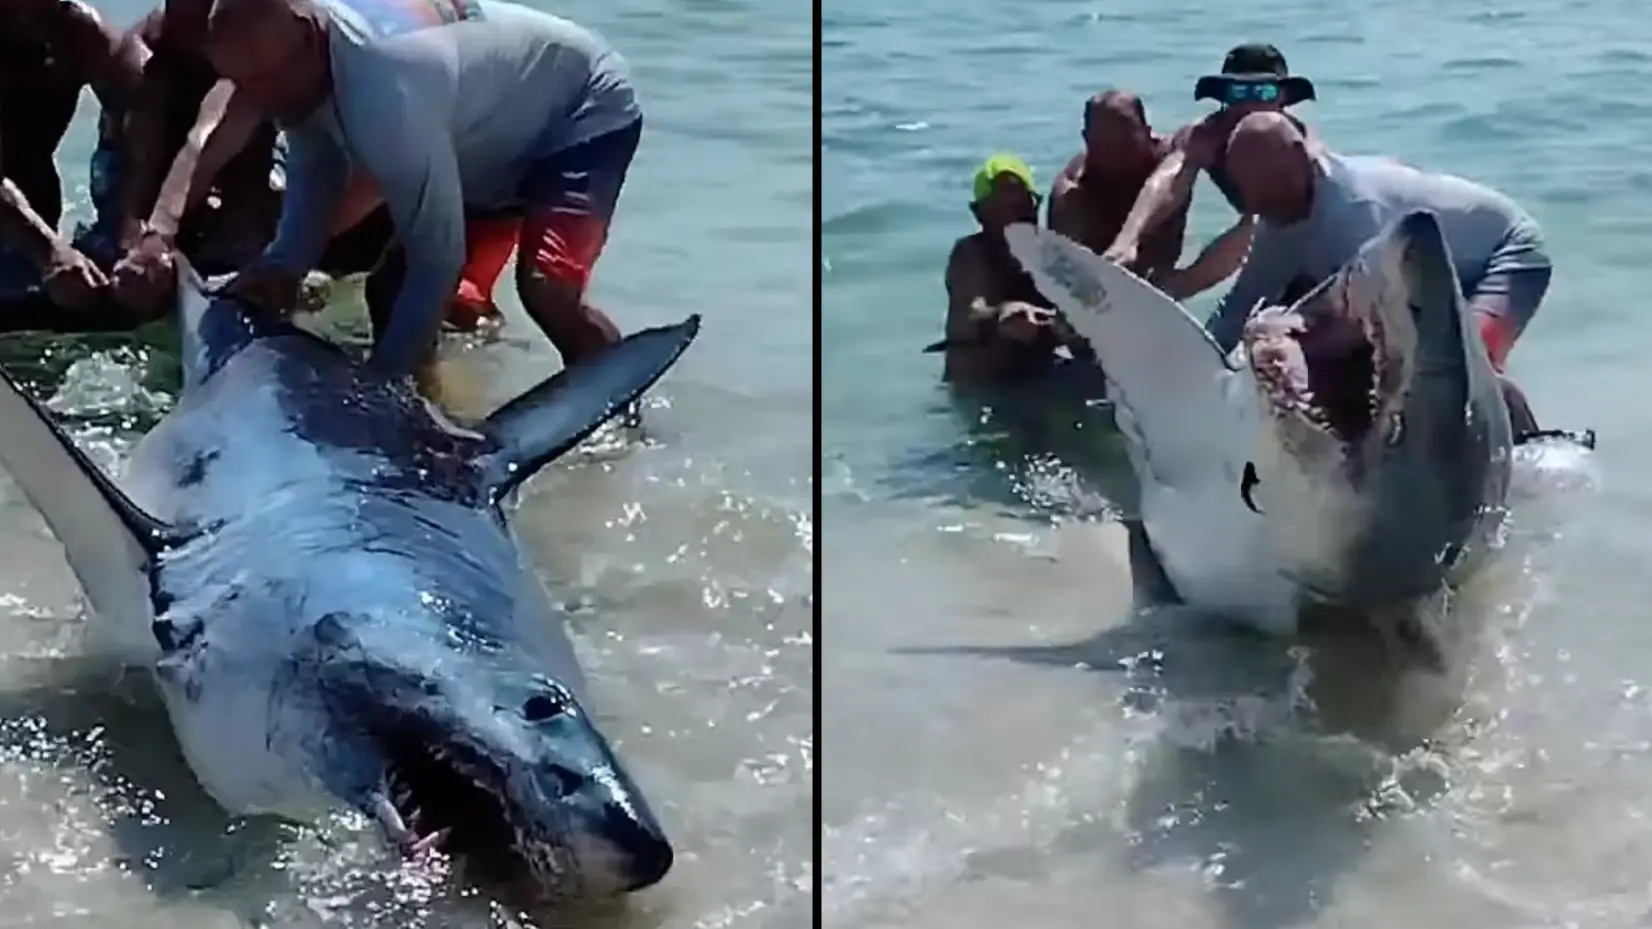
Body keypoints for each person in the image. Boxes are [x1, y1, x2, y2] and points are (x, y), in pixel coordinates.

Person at [201, 0, 641, 387]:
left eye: (266, 81)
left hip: (581, 110)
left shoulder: (385, 91)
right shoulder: (298, 63)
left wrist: (380, 382)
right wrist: (282, 265)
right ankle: (432, 413)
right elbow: (318, 165)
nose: (259, 101)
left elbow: (437, 259)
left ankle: (622, 414)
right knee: (393, 291)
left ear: (308, 37)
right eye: (243, 84)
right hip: (485, 131)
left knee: (547, 292)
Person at [1207, 112, 1549, 414]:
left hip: (1505, 254)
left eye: (1267, 186)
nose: (1256, 204)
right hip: (1430, 275)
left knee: (1464, 370)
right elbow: (1242, 302)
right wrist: (1202, 358)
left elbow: (1373, 324)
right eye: (1247, 191)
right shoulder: (1276, 215)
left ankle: (1528, 439)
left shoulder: (1354, 212)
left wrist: (1290, 347)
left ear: (1301, 157)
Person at [1103, 43, 1318, 300]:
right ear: (1224, 96)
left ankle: (1172, 290)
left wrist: (1181, 285)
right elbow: (1170, 180)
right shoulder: (1207, 135)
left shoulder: (1297, 147)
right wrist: (1127, 241)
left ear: (1282, 97)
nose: (1250, 104)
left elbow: (1257, 229)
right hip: (1266, 247)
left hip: (1319, 244)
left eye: (1263, 92)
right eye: (1239, 92)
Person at [0, 0, 149, 322]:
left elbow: (144, 98)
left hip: (34, 190)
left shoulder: (82, 33)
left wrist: (136, 232)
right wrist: (49, 253)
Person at [939, 154, 1091, 385]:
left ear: (1036, 206)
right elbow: (971, 311)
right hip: (982, 388)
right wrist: (1001, 313)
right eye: (1000, 209)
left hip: (1042, 379)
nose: (1013, 218)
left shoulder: (1050, 257)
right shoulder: (971, 254)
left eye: (1021, 207)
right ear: (979, 213)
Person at [1046, 90, 1186, 280]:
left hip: (1158, 267)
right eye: (1103, 145)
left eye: (1126, 143)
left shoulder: (1172, 161)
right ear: (1086, 140)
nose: (1115, 157)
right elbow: (1060, 267)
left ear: (1147, 132)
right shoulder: (1072, 189)